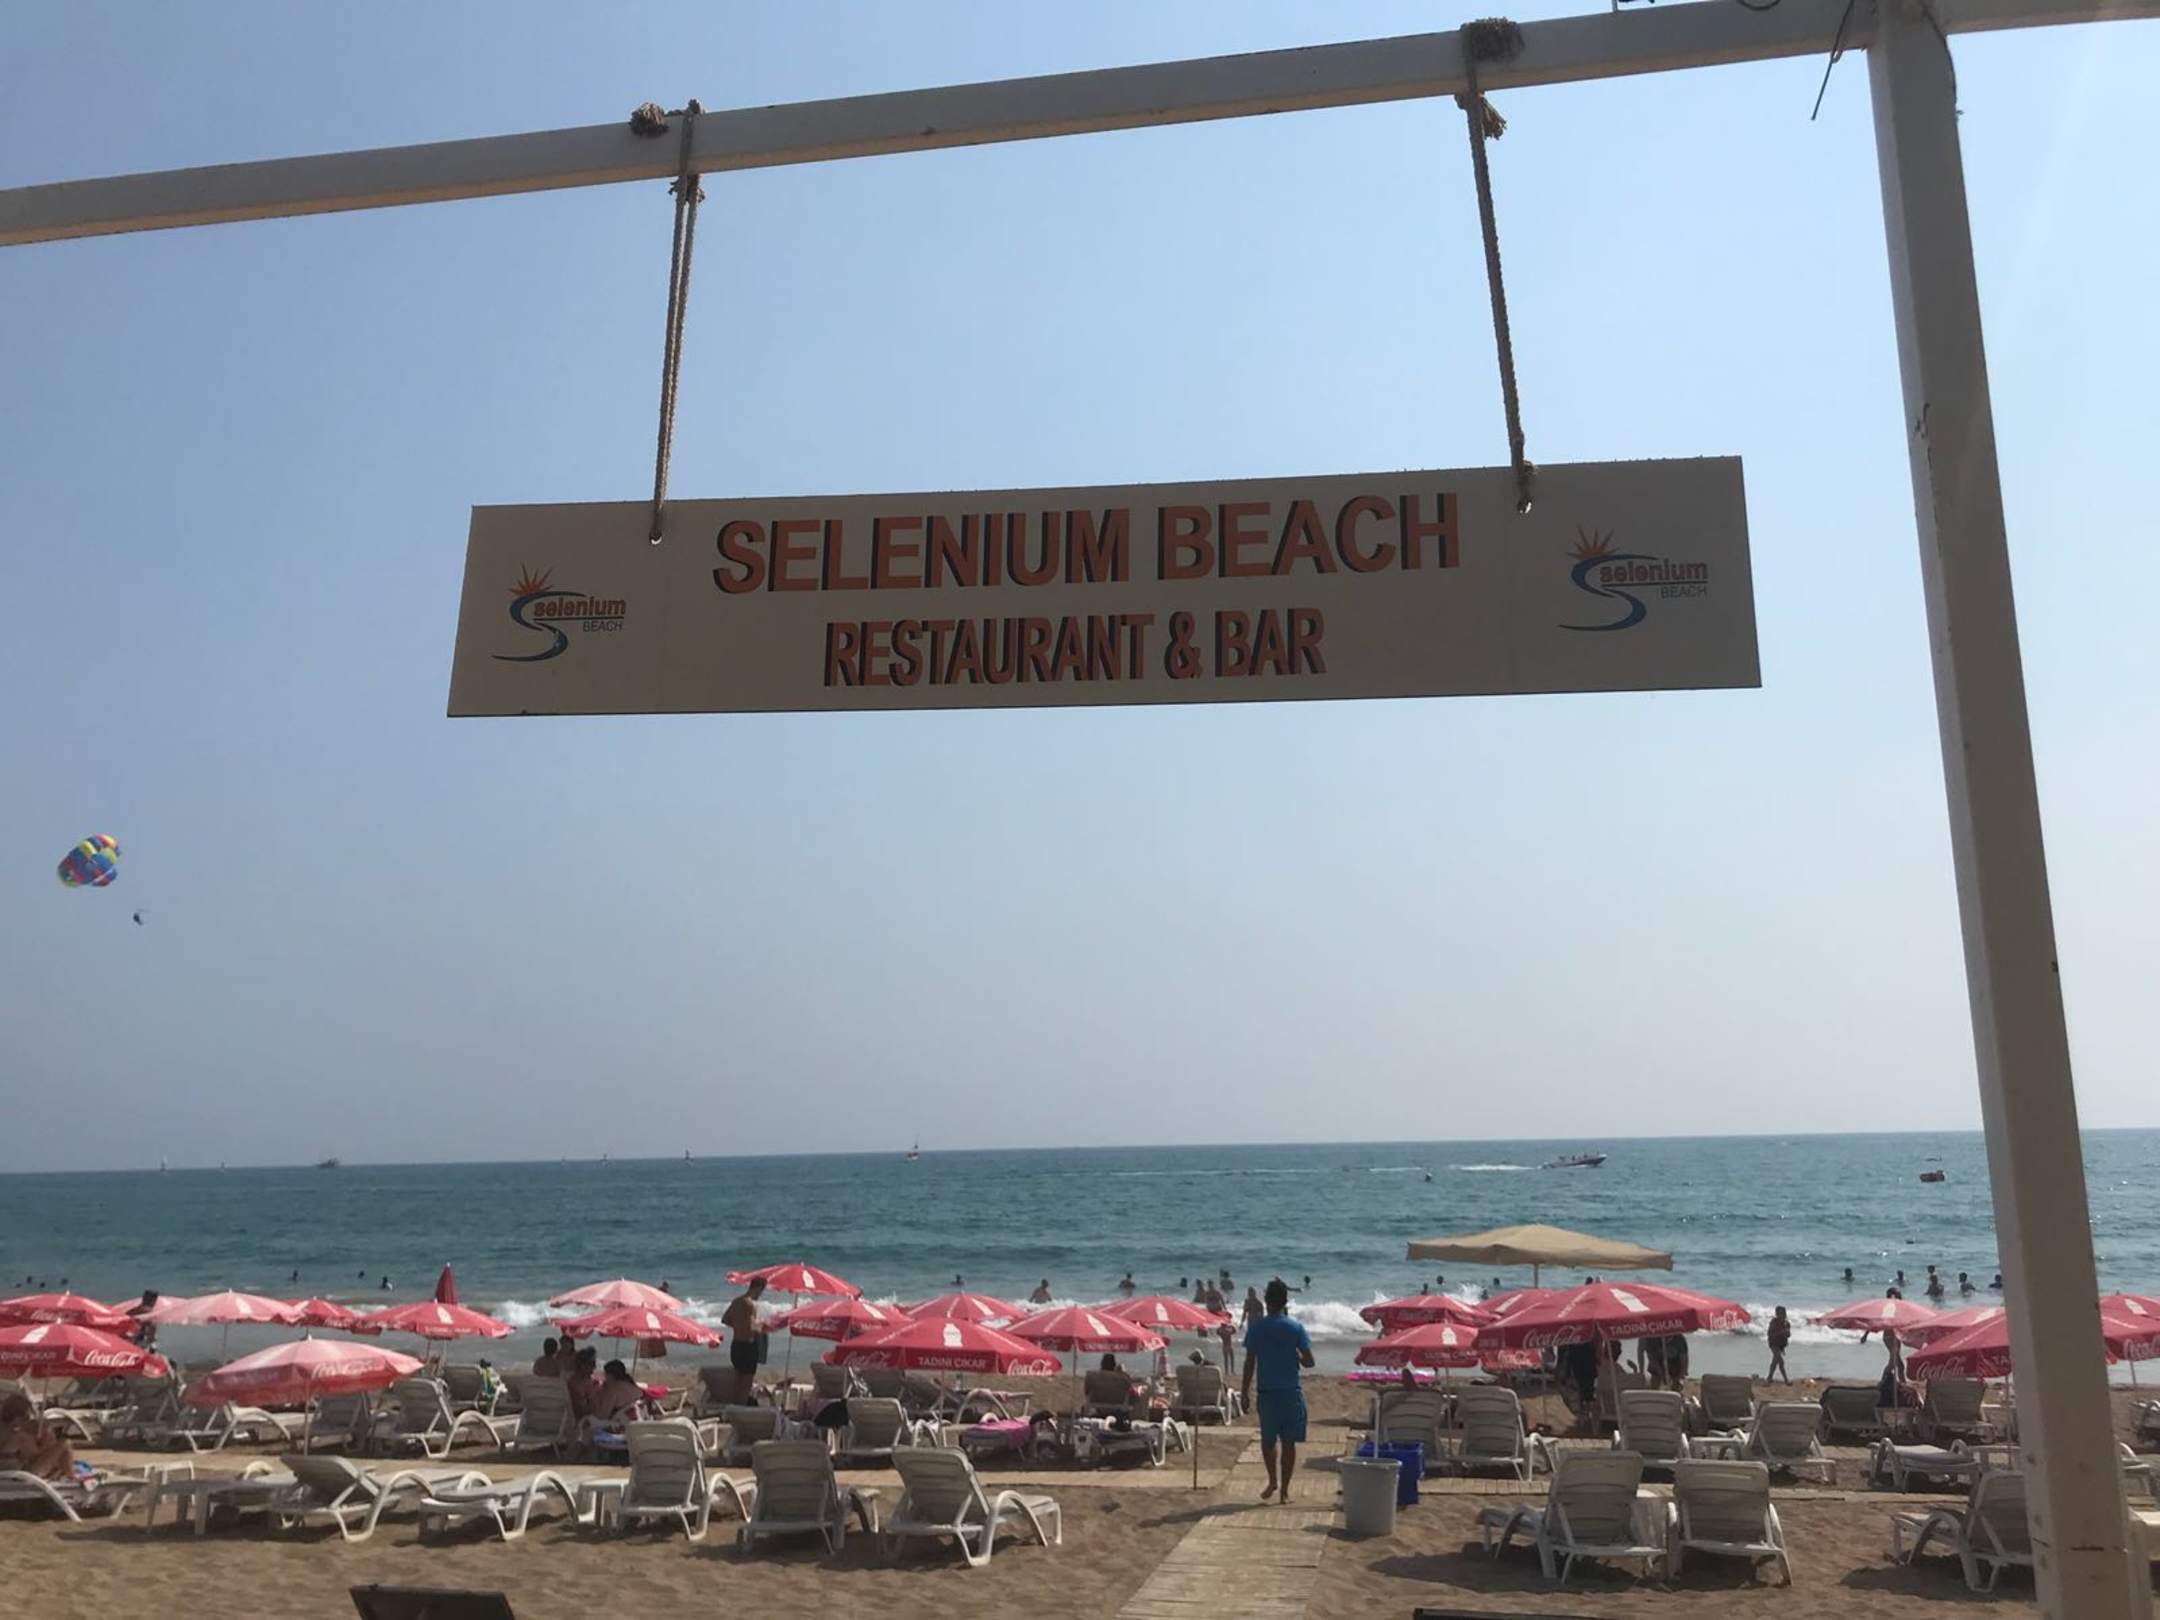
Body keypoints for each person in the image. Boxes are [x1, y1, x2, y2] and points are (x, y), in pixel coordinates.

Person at [1240, 1279, 1315, 1503]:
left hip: (1266, 1392)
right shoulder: (1295, 1328)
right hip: (1290, 1392)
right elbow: (1309, 1362)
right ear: (1285, 1301)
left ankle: (1273, 1480)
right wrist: (1297, 1356)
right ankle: (1284, 1492)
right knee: (1289, 1443)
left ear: (1266, 1301)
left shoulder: (1256, 1328)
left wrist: (1244, 1392)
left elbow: (1249, 1363)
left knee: (1268, 1441)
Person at [0, 1393, 74, 1481]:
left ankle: (65, 1475)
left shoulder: (6, 1430)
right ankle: (71, 1478)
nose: (29, 1421)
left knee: (56, 1446)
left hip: (9, 1473)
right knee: (65, 1444)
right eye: (27, 1418)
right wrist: (45, 1441)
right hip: (21, 1476)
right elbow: (35, 1458)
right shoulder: (20, 1438)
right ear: (18, 1419)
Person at [724, 1276, 766, 1401]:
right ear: (758, 1288)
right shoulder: (751, 1304)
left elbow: (725, 1319)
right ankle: (740, 1406)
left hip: (736, 1344)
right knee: (747, 1382)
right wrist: (764, 1327)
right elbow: (752, 1328)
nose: (760, 1295)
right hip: (748, 1345)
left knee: (737, 1380)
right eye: (761, 1291)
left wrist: (738, 1326)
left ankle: (734, 1405)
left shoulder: (736, 1301)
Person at [592, 1359, 645, 1425]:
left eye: (605, 1374)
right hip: (639, 1424)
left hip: (623, 1427)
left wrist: (594, 1398)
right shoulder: (632, 1386)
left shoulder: (613, 1390)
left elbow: (602, 1416)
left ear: (610, 1375)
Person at [566, 1347, 602, 1420]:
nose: (594, 1367)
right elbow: (584, 1411)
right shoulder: (581, 1384)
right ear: (583, 1366)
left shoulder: (570, 1380)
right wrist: (593, 1393)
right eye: (592, 1364)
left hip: (573, 1418)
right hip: (583, 1421)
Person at [1878, 1326, 1907, 1411]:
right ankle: (1886, 1381)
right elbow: (1881, 1322)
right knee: (1894, 1363)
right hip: (1890, 1336)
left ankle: (1902, 1382)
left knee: (1897, 1363)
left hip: (1895, 1336)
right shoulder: (1889, 1315)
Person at [1767, 1307, 1792, 1383]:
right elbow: (1770, 1333)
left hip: (1781, 1345)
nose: (1782, 1315)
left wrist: (1787, 1333)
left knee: (1775, 1362)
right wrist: (1781, 1333)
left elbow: (1788, 1334)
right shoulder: (1773, 1322)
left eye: (1783, 1313)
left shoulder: (1786, 1323)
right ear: (1777, 1314)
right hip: (1773, 1344)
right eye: (1780, 1314)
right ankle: (1786, 1380)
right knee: (1780, 1361)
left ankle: (1769, 1378)